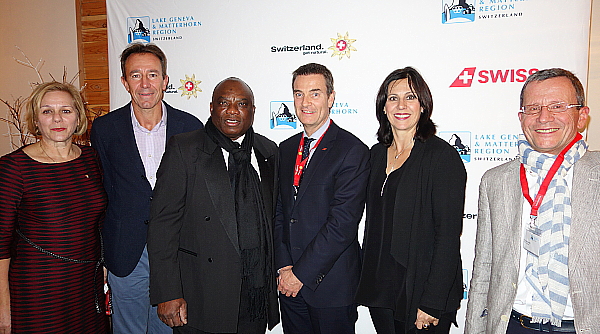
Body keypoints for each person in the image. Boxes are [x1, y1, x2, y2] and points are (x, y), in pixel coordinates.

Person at [465, 68, 600, 334]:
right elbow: (484, 268)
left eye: (558, 106)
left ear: (581, 116)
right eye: (533, 108)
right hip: (514, 325)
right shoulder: (496, 180)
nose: (543, 117)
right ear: (521, 118)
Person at [147, 77, 280, 334]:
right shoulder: (185, 148)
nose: (232, 110)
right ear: (211, 107)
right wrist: (168, 292)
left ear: (252, 111)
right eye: (224, 103)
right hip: (201, 294)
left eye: (242, 104)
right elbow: (162, 226)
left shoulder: (268, 151)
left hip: (254, 294)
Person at [90, 42, 202, 333]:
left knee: (168, 327)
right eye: (135, 75)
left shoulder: (190, 127)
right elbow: (103, 192)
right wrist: (102, 255)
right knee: (127, 329)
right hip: (126, 251)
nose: (145, 83)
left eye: (152, 74)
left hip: (177, 249)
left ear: (165, 80)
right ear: (124, 82)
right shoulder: (105, 129)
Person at [355, 67, 466, 334]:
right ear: (383, 107)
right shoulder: (375, 154)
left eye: (411, 97)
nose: (401, 105)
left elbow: (448, 236)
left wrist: (432, 302)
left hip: (421, 292)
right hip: (381, 291)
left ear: (423, 105)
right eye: (393, 98)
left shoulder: (442, 157)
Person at [0, 81, 107, 333]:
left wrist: (103, 265)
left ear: (78, 117)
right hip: (38, 289)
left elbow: (99, 222)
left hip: (85, 284)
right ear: (36, 120)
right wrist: (3, 306)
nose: (57, 118)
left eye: (66, 111)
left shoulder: (91, 159)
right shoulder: (13, 168)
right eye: (47, 111)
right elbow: (1, 243)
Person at [275, 63, 370, 334]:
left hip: (331, 288)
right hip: (289, 286)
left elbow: (342, 225)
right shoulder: (286, 148)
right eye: (298, 94)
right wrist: (284, 267)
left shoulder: (351, 150)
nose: (306, 102)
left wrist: (299, 275)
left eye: (315, 93)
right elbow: (280, 211)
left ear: (331, 98)